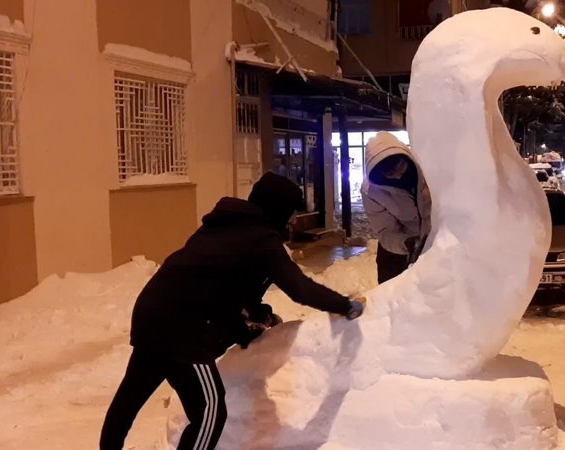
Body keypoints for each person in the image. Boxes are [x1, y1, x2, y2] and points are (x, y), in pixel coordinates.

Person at [100, 173, 365, 450]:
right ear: (277, 209)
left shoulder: (223, 225)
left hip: (151, 312)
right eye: (291, 212)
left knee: (131, 397)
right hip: (183, 328)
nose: (293, 220)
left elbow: (223, 286)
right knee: (210, 411)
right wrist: (344, 305)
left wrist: (247, 324)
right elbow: (299, 288)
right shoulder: (262, 239)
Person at [361, 131, 432, 284]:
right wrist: (404, 242)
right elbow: (386, 230)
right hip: (401, 242)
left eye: (400, 166)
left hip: (434, 238)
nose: (398, 175)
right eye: (390, 173)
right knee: (390, 287)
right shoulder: (372, 191)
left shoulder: (428, 171)